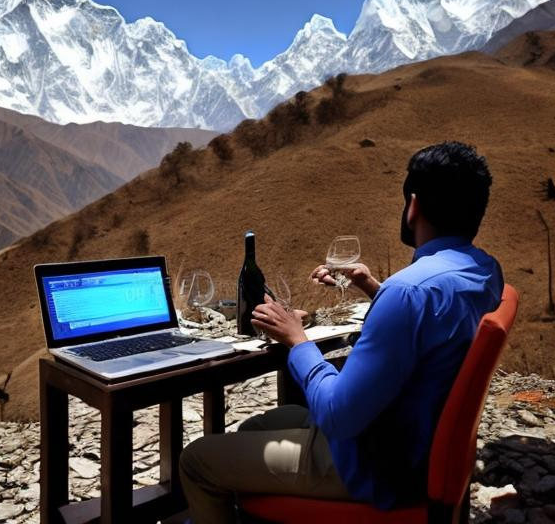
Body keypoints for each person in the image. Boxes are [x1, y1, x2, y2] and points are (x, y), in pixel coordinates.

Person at [179, 141, 504, 523]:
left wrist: (296, 339)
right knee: (256, 426)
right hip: (419, 445)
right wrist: (373, 288)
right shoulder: (483, 270)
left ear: (413, 204)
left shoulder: (408, 293)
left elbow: (338, 416)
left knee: (196, 459)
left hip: (376, 464)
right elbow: (435, 325)